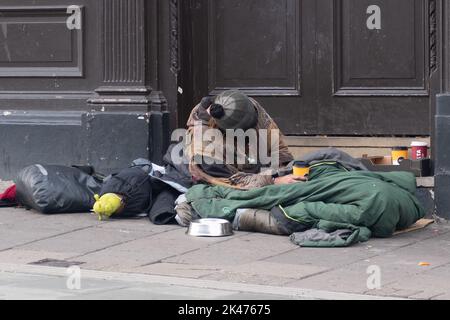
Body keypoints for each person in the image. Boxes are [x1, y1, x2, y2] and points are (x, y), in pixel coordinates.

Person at [184, 90, 304, 189]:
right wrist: (274, 180)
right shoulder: (203, 150)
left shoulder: (244, 105)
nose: (255, 127)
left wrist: (286, 167)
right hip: (228, 178)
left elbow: (273, 137)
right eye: (249, 128)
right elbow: (234, 182)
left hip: (251, 165)